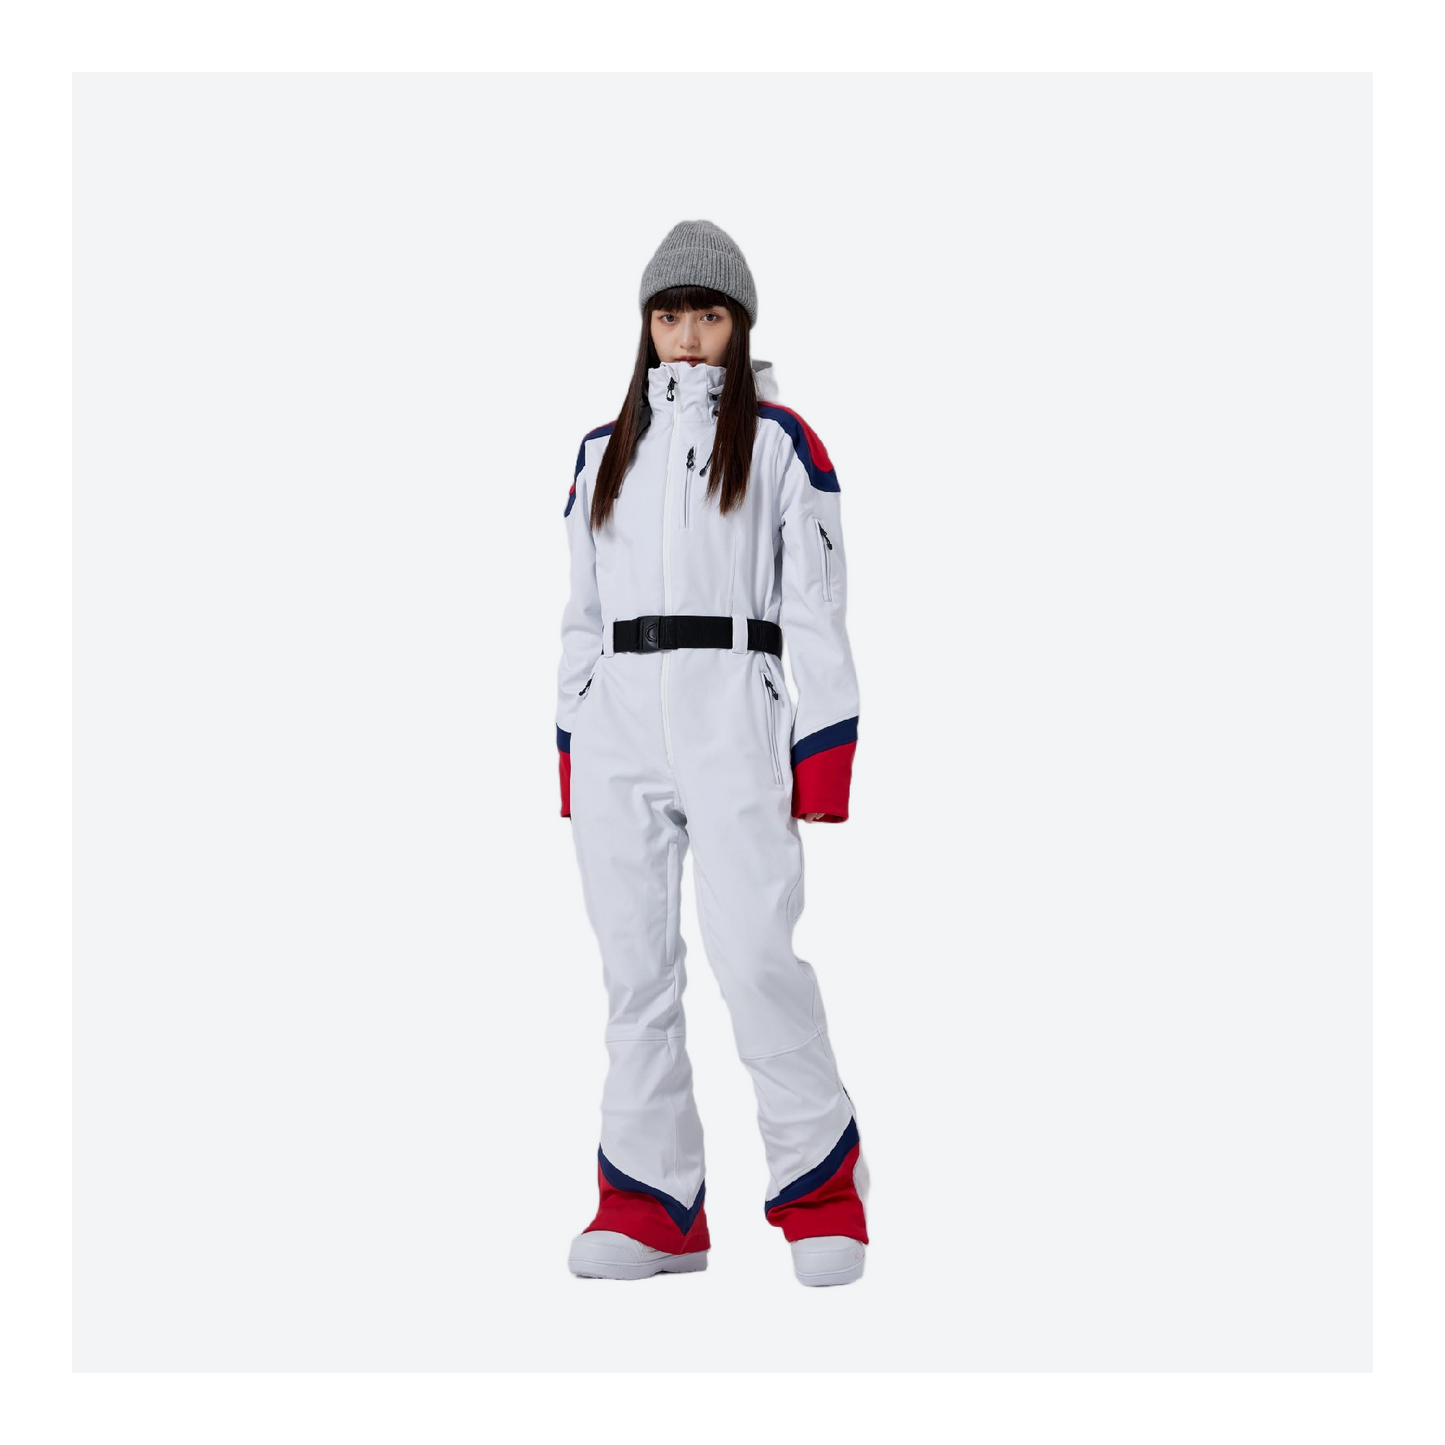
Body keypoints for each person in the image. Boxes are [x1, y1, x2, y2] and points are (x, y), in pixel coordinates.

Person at [554, 219, 869, 1287]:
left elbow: (816, 606)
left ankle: (821, 1184)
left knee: (754, 954)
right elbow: (578, 615)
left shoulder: (780, 443)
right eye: (668, 315)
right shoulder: (602, 453)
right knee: (633, 969)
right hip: (618, 724)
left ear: (739, 325)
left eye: (707, 315)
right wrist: (572, 740)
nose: (686, 336)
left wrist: (823, 749)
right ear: (644, 327)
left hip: (733, 710)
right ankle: (651, 1206)